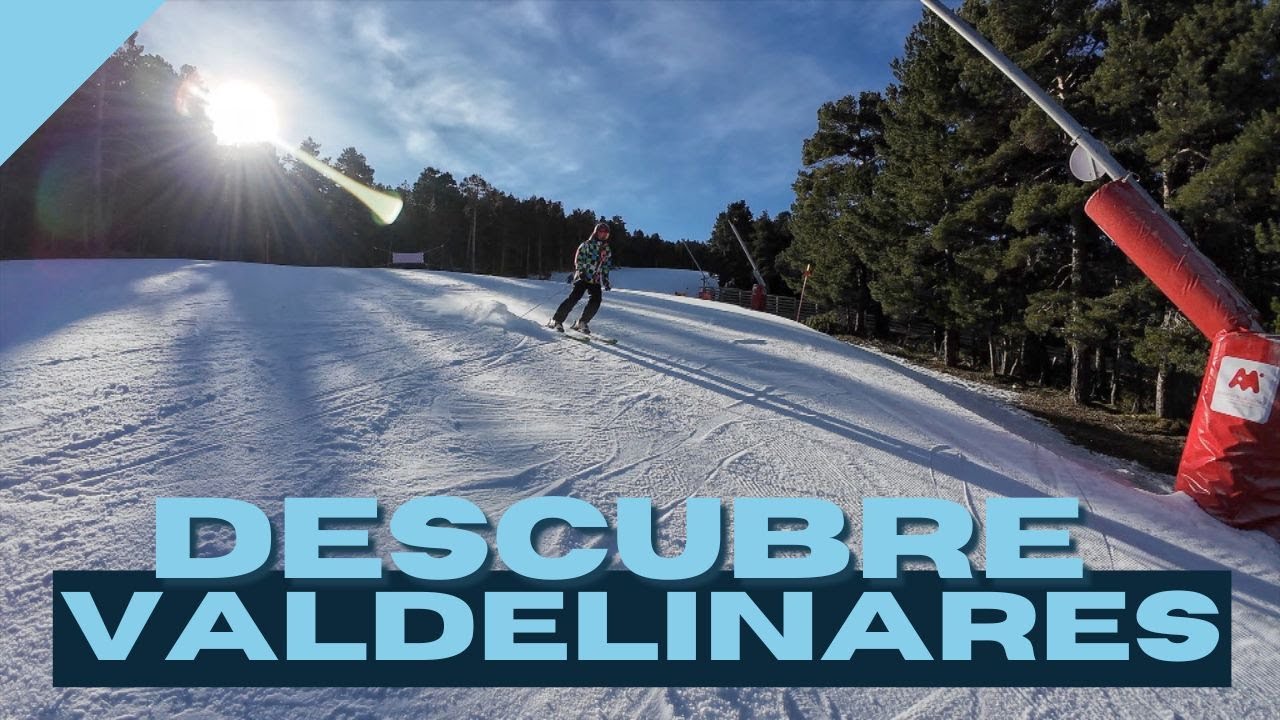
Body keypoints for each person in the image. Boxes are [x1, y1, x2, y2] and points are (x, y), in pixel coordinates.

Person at [547, 221, 613, 334]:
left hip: (595, 279)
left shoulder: (606, 249)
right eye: (601, 233)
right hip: (583, 276)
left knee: (596, 300)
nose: (603, 236)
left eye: (605, 234)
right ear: (596, 233)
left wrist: (605, 280)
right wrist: (581, 271)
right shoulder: (587, 244)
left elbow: (606, 265)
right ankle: (556, 320)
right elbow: (579, 259)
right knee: (574, 298)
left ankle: (582, 322)